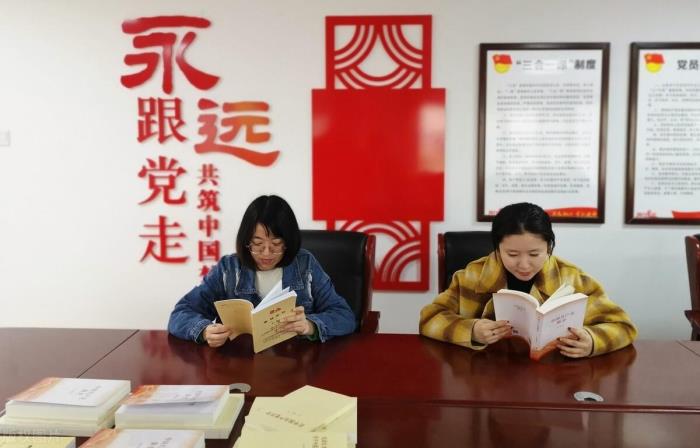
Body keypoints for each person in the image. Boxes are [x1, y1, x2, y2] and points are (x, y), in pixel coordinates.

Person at [419, 202, 637, 358]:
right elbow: (429, 319)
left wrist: (592, 341)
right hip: (486, 375)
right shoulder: (472, 275)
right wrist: (472, 329)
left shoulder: (572, 279)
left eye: (534, 254)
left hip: (554, 377)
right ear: (497, 248)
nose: (524, 265)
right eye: (512, 254)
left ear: (549, 247)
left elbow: (623, 326)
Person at [168, 195, 356, 347]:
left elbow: (345, 316)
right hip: (241, 364)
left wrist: (310, 326)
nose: (266, 253)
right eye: (257, 244)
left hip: (296, 364)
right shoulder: (228, 269)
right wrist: (204, 331)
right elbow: (181, 313)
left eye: (276, 244)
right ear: (246, 241)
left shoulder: (305, 264)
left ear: (289, 242)